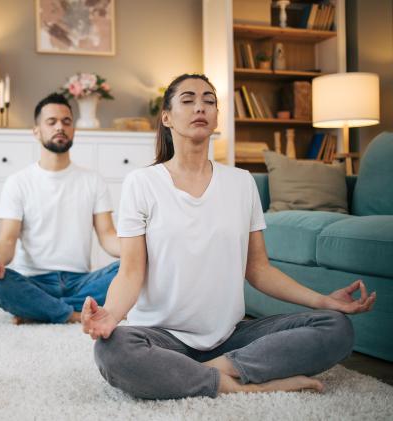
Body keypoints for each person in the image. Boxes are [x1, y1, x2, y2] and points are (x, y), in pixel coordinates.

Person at [81, 73, 376, 399]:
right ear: (166, 117)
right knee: (113, 351)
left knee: (336, 328)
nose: (201, 107)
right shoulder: (142, 183)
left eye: (209, 101)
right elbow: (131, 272)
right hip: (161, 338)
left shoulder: (241, 182)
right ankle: (239, 383)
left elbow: (259, 270)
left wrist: (324, 300)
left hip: (230, 338)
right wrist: (111, 313)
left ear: (217, 117)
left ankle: (210, 372)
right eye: (189, 99)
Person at [0, 93, 120, 324]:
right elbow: (7, 240)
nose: (60, 127)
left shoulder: (93, 180)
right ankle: (75, 314)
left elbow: (108, 236)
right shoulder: (18, 182)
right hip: (35, 281)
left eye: (67, 122)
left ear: (74, 130)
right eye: (52, 122)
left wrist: (138, 251)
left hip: (82, 282)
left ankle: (39, 310)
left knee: (134, 269)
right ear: (36, 131)